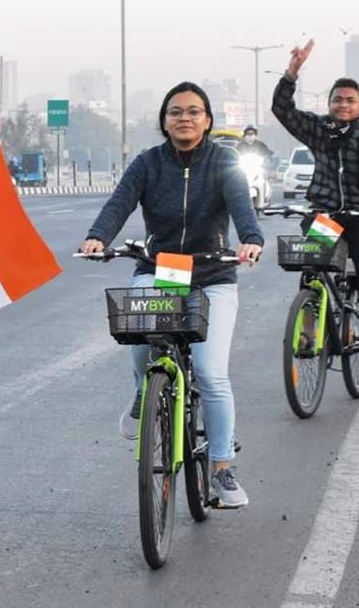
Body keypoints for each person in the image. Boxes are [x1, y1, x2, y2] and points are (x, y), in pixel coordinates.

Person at [78, 81, 264, 508]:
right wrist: (97, 237)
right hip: (160, 272)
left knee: (211, 373)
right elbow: (119, 203)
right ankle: (146, 393)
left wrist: (251, 239)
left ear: (208, 120)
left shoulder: (224, 161)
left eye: (194, 111)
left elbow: (242, 208)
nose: (185, 118)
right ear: (164, 120)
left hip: (213, 275)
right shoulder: (148, 164)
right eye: (176, 111)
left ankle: (221, 467)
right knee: (141, 341)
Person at [271, 39, 359, 367]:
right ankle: (309, 322)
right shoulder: (319, 129)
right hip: (325, 214)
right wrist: (292, 73)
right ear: (330, 103)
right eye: (337, 99)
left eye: (350, 101)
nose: (343, 105)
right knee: (310, 266)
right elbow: (282, 110)